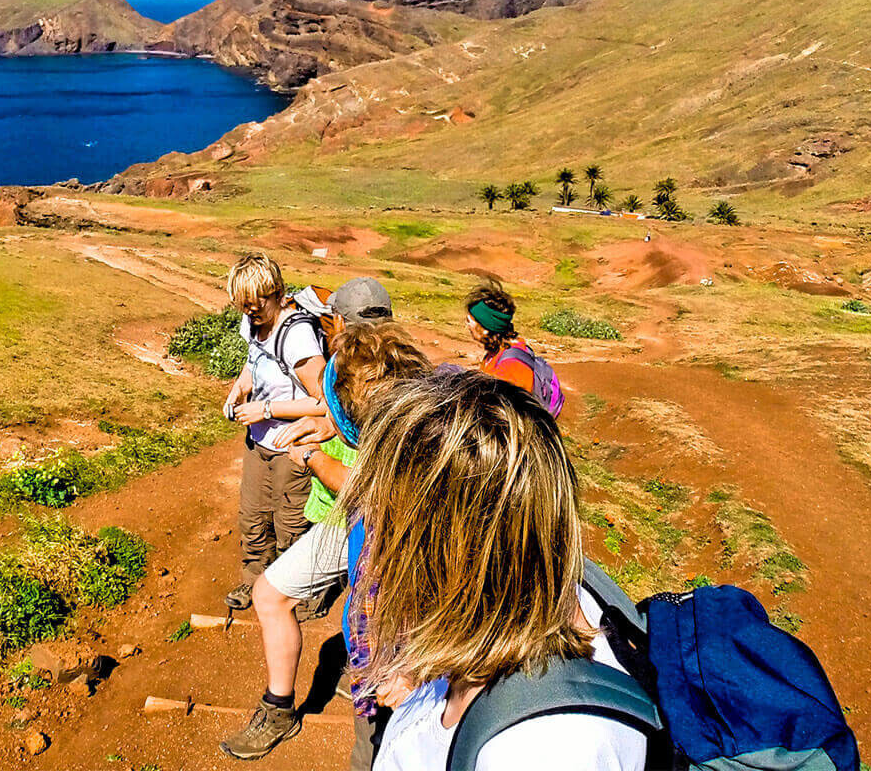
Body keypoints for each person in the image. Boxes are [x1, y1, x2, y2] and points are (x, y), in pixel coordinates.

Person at [341, 372, 646, 771]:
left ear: (448, 556)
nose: (374, 544)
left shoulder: (546, 750)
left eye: (385, 522)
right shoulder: (541, 588)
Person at [220, 299, 429, 761]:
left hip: (370, 525)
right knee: (272, 591)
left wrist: (314, 457)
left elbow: (371, 488)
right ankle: (280, 705)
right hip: (353, 521)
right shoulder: (389, 371)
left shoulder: (398, 437)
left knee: (376, 733)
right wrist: (323, 425)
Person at [223, 253, 328, 612]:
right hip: (259, 441)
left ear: (277, 293)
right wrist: (238, 390)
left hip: (293, 444)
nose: (251, 312)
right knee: (253, 517)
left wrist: (266, 409)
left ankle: (303, 593)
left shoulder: (297, 336)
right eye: (244, 305)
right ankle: (255, 581)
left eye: (257, 304)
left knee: (291, 523)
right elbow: (255, 364)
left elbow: (323, 402)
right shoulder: (251, 323)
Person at [463, 277, 535, 393]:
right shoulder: (497, 351)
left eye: (469, 321)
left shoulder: (510, 367)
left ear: (485, 327)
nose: (467, 326)